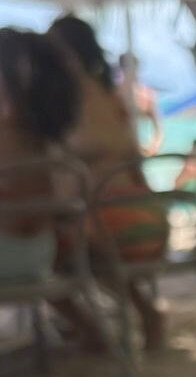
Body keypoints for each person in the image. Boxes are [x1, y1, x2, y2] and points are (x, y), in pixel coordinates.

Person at [48, 15, 168, 350]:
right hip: (149, 218)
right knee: (70, 241)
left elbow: (69, 178)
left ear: (66, 54)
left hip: (114, 225)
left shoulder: (68, 104)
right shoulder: (114, 98)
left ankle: (90, 329)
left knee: (41, 255)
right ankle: (137, 315)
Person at [0, 27, 108, 349]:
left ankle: (91, 333)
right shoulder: (47, 138)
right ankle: (93, 333)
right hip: (38, 254)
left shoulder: (5, 136)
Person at [117, 53, 163, 157]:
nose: (131, 71)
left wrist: (152, 148)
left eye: (133, 67)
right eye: (126, 67)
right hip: (119, 149)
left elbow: (158, 130)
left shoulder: (146, 95)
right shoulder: (115, 94)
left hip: (138, 150)